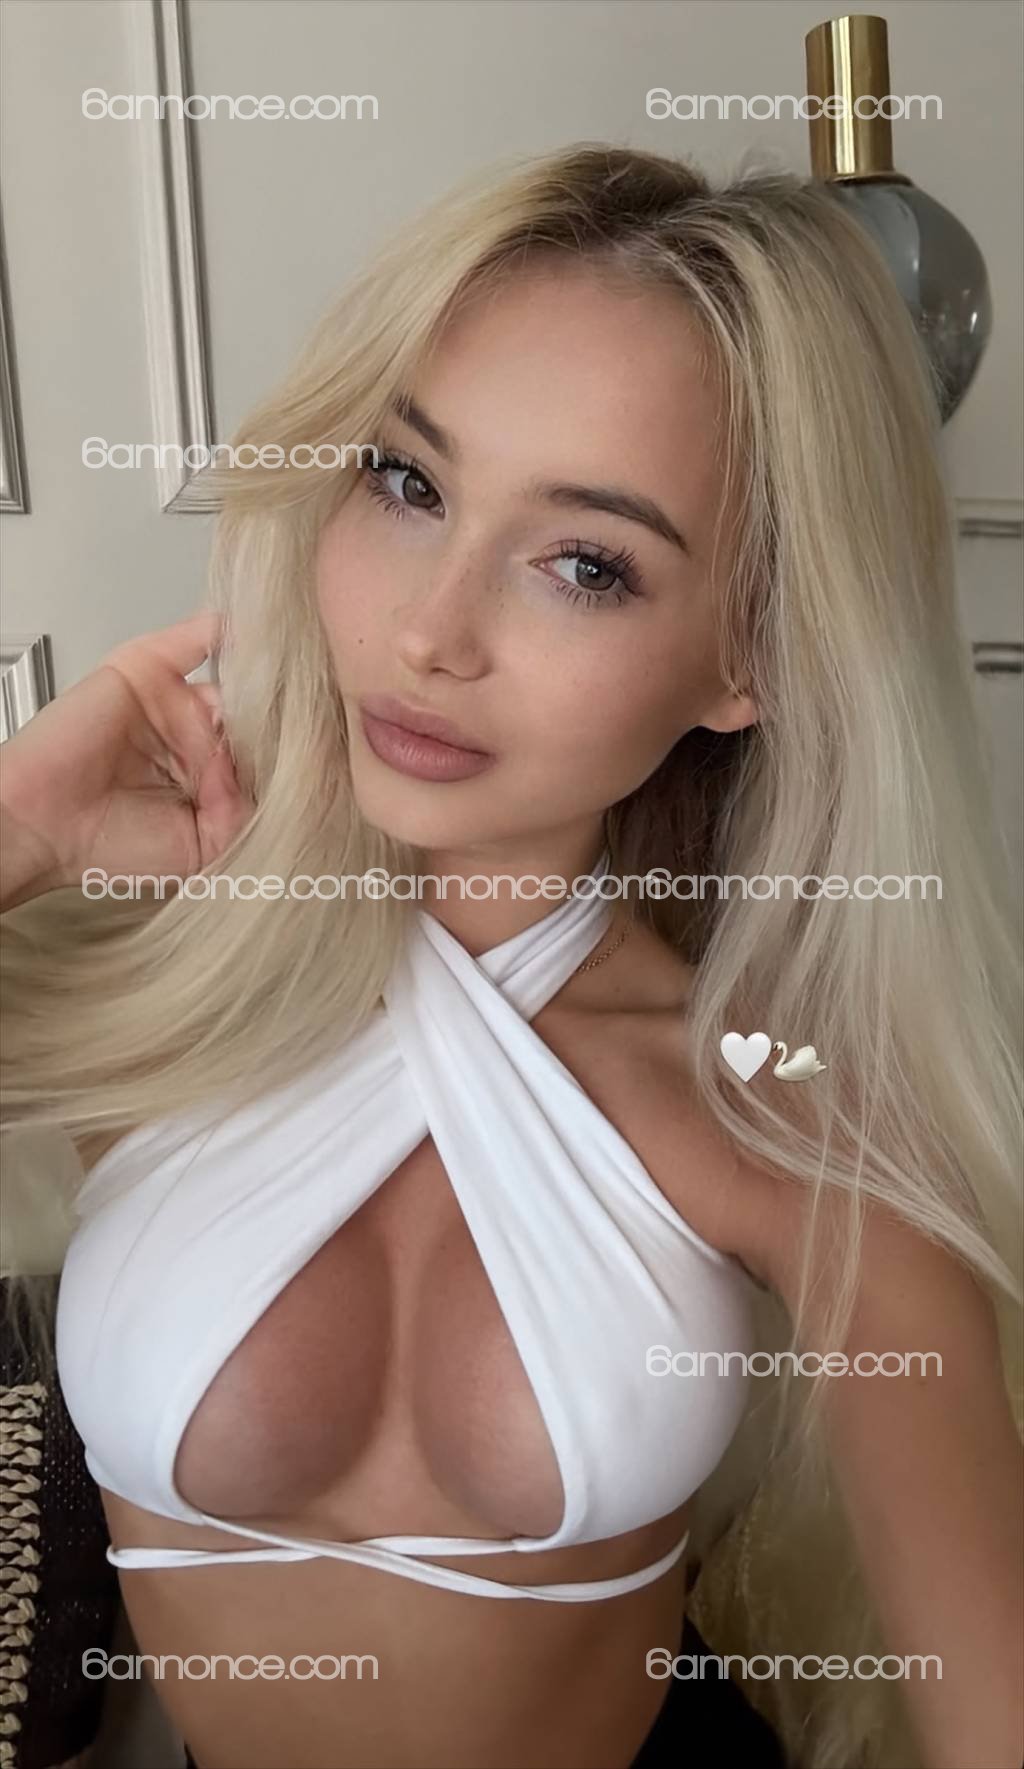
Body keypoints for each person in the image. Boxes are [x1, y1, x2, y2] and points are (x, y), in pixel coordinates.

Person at [0, 143, 1020, 1769]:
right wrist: (19, 831)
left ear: (749, 657)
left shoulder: (788, 1105)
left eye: (586, 563)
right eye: (409, 484)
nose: (430, 631)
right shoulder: (148, 984)